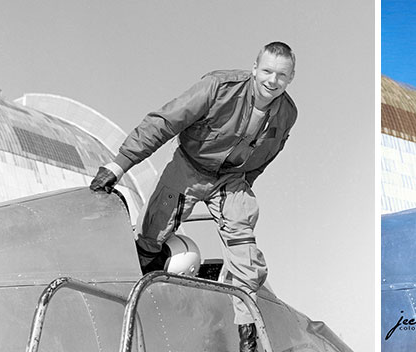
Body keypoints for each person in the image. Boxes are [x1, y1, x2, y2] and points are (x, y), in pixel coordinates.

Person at [90, 41, 297, 352]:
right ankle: (131, 307)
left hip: (231, 180)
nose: (272, 81)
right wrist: (120, 165)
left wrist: (242, 190)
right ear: (254, 68)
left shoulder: (287, 114)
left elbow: (267, 156)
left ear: (290, 78)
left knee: (246, 254)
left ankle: (247, 334)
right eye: (267, 71)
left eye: (282, 75)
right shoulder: (217, 88)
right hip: (190, 166)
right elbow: (165, 122)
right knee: (151, 237)